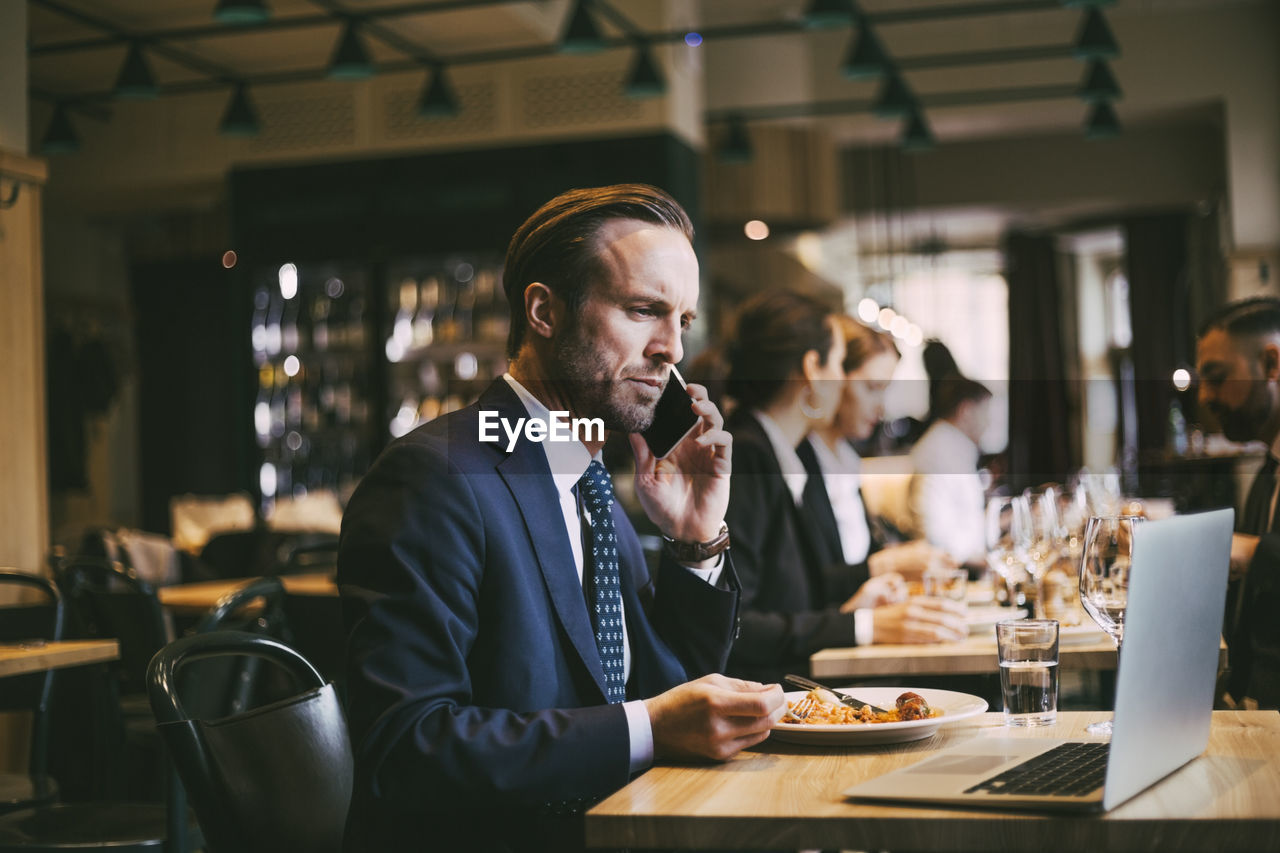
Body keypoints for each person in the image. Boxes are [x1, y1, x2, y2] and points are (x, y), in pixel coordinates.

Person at [337, 184, 785, 852]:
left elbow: (667, 691)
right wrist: (650, 728)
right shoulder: (435, 474)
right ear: (544, 311)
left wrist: (694, 540)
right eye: (643, 310)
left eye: (682, 321)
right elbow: (409, 746)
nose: (671, 349)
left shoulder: (591, 478)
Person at [719, 292, 966, 684]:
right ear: (813, 368)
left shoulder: (774, 452)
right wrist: (862, 624)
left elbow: (789, 596)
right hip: (774, 701)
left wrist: (858, 603)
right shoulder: (749, 455)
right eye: (838, 363)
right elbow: (735, 626)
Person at [800, 316, 957, 578]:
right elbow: (810, 584)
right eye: (872, 388)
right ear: (835, 376)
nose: (882, 407)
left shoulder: (846, 460)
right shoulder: (799, 461)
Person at [1196, 296, 1280, 709]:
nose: (1204, 397)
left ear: (1271, 365)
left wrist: (1249, 550)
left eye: (1217, 376)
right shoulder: (1269, 471)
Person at [908, 374, 994, 568]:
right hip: (952, 573)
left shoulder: (955, 447)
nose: (988, 423)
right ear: (966, 411)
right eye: (985, 413)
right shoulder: (937, 452)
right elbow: (935, 538)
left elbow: (965, 521)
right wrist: (987, 562)